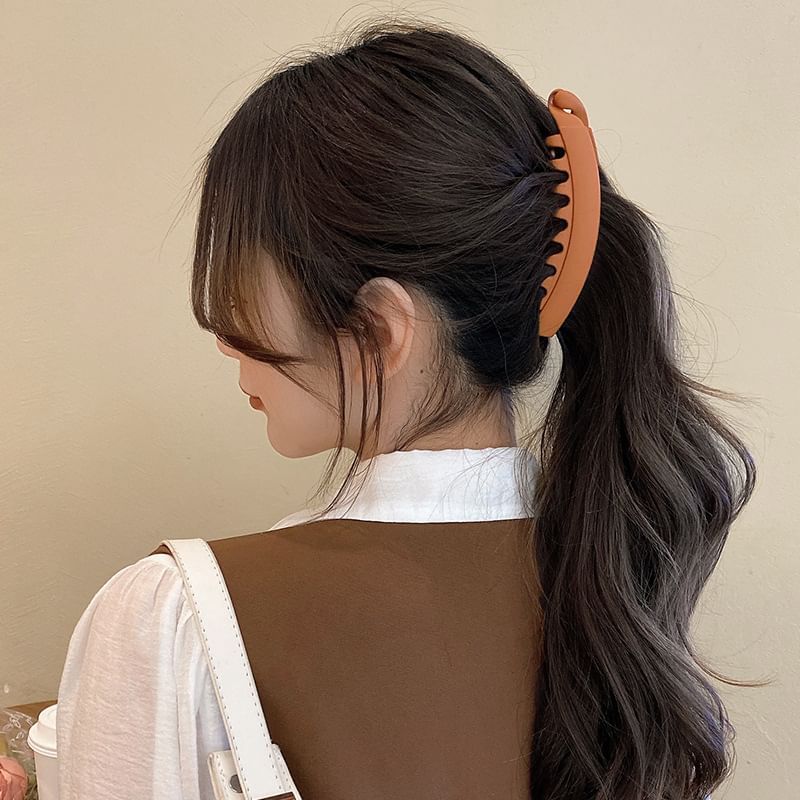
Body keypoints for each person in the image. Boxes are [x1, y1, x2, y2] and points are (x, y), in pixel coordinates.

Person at [55, 17, 759, 800]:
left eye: (242, 288)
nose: (225, 339)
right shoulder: (622, 578)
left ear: (383, 329)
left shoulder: (172, 618)